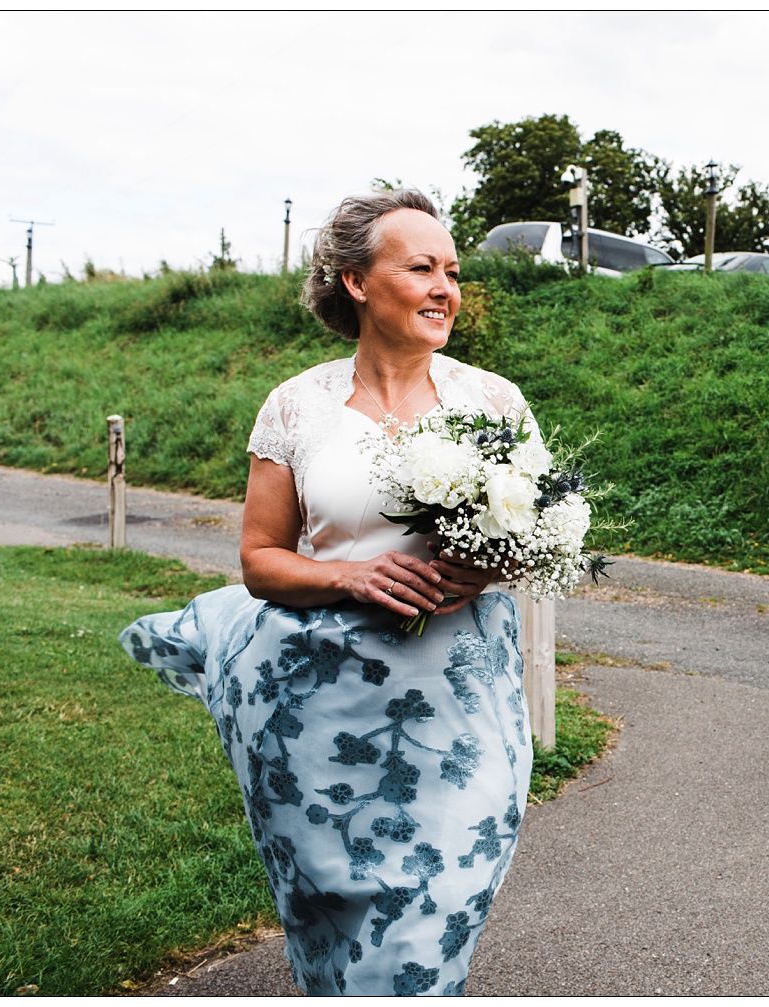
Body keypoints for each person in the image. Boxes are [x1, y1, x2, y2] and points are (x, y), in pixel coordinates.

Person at [120, 189, 536, 995]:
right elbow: (261, 559)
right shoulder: (296, 406)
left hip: (461, 708)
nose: (446, 287)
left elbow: (534, 537)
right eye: (422, 268)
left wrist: (484, 565)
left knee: (439, 904)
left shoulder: (493, 403)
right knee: (332, 916)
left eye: (452, 270)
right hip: (322, 709)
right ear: (356, 281)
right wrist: (351, 573)